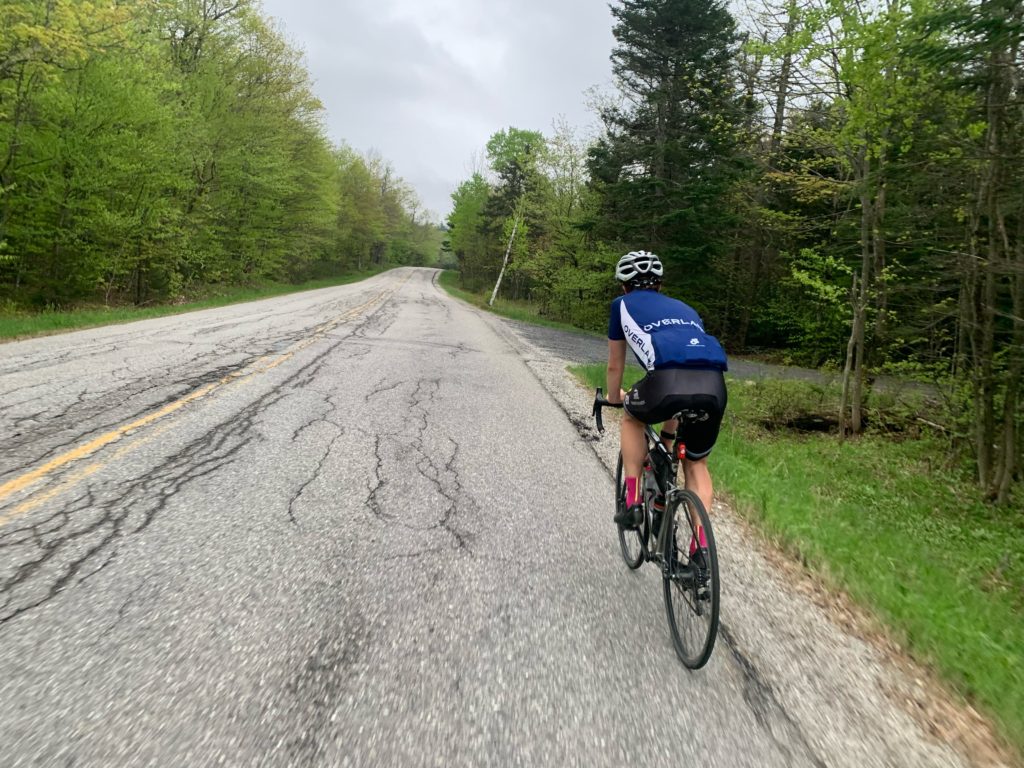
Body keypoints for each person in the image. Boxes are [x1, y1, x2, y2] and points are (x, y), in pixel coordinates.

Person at [605, 250, 728, 559]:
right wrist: (669, 437)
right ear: (658, 285)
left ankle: (632, 502)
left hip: (666, 383)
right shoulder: (686, 308)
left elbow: (614, 367)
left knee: (632, 418)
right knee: (696, 464)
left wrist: (613, 397)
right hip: (714, 387)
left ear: (624, 287)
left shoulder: (621, 305)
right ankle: (700, 550)